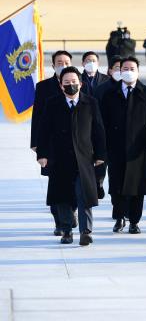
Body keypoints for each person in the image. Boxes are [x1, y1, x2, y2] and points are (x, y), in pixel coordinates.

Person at [36, 67, 106, 246]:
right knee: (63, 196)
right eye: (66, 82)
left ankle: (86, 231)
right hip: (60, 158)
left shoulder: (90, 103)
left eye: (74, 82)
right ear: (61, 86)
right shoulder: (52, 103)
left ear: (81, 84)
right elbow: (44, 131)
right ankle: (67, 231)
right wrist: (42, 155)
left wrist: (100, 155)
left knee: (85, 195)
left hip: (84, 158)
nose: (71, 85)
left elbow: (98, 131)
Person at [100, 56, 146, 234]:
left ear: (138, 71)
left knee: (137, 187)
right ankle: (118, 217)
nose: (128, 71)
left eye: (132, 68)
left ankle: (134, 221)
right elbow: (102, 122)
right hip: (115, 147)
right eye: (125, 68)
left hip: (138, 150)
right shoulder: (109, 94)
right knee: (116, 185)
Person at [31, 50, 74, 235]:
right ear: (53, 66)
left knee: (74, 183)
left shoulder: (79, 84)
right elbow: (37, 117)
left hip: (74, 145)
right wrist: (36, 144)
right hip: (52, 145)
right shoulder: (43, 87)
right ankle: (59, 221)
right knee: (55, 184)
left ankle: (70, 213)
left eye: (66, 62)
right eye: (59, 62)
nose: (63, 65)